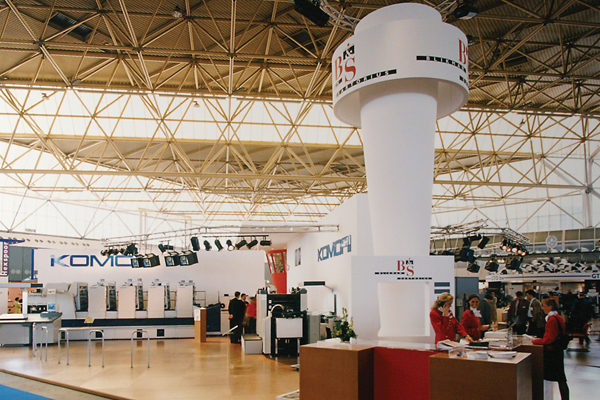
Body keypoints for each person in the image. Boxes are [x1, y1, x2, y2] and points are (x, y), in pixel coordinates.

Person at [533, 298, 570, 400]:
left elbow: (549, 339)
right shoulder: (558, 317)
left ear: (550, 307)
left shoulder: (552, 319)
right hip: (557, 350)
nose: (542, 308)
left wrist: (536, 341)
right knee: (561, 378)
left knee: (558, 378)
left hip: (553, 352)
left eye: (544, 306)